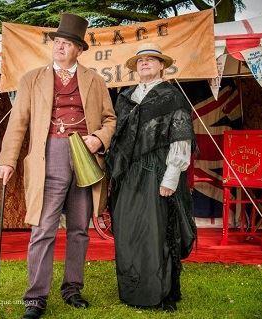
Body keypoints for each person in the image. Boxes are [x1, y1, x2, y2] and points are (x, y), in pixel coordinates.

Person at [0, 13, 116, 319]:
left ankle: (72, 288)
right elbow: (17, 124)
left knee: (79, 230)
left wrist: (99, 140)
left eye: (67, 43)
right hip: (48, 158)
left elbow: (110, 120)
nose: (60, 47)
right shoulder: (31, 79)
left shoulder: (95, 80)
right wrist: (7, 160)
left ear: (79, 49)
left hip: (85, 160)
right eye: (58, 42)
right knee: (43, 229)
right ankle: (35, 297)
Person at [106, 42, 197, 311]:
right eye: (141, 61)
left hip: (157, 169)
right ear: (136, 67)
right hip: (128, 172)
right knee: (127, 229)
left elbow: (180, 138)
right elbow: (119, 137)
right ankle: (133, 290)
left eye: (151, 60)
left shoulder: (172, 96)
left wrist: (171, 177)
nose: (145, 63)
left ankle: (160, 292)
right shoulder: (125, 97)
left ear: (161, 66)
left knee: (156, 232)